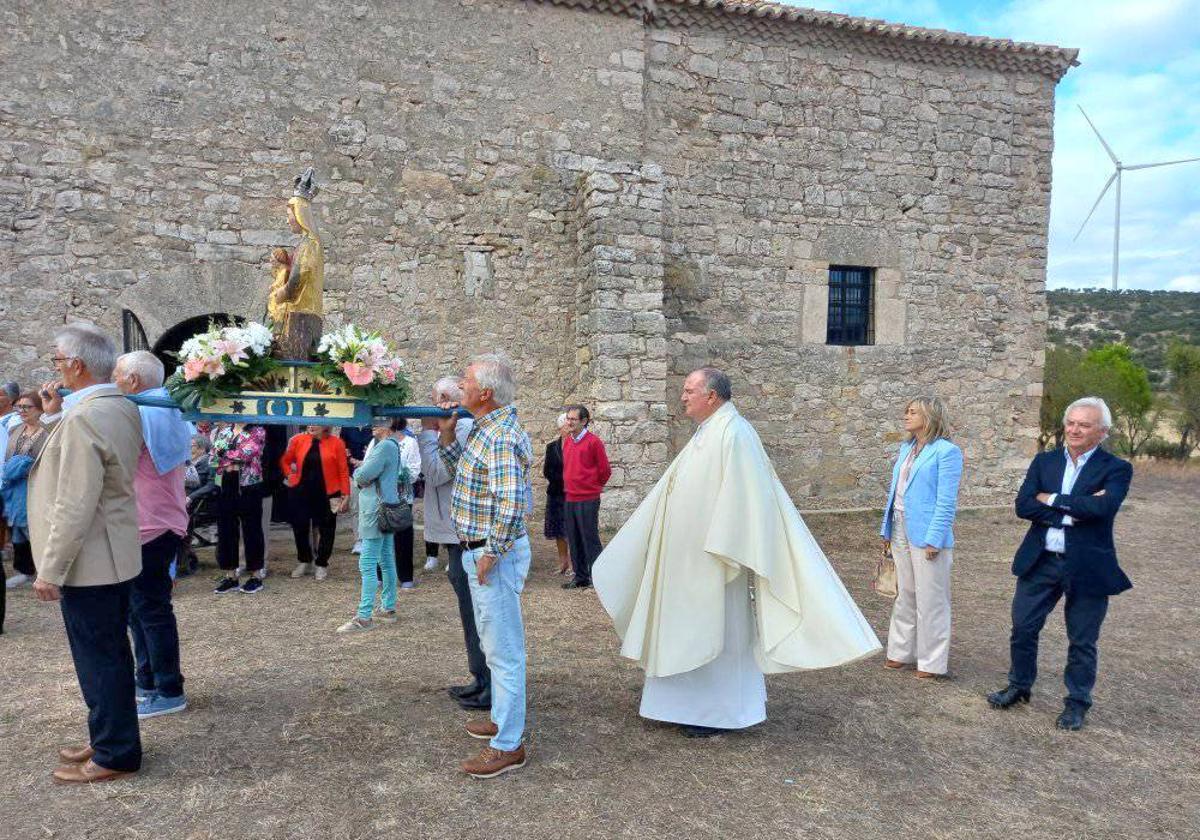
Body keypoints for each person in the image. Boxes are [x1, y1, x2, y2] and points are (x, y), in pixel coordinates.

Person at [593, 368, 881, 738]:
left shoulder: (735, 433)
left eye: (689, 390)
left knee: (717, 633)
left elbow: (747, 501)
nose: (682, 396)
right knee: (683, 629)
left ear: (711, 396)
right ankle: (683, 705)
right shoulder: (707, 432)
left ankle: (717, 712)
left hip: (715, 562)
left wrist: (723, 548)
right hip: (684, 563)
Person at [29, 323, 144, 783]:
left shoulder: (85, 418)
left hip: (90, 560)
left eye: (57, 360)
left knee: (100, 659)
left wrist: (50, 569)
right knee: (109, 653)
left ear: (75, 365)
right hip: (110, 552)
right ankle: (107, 737)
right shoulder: (117, 405)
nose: (55, 368)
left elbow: (75, 501)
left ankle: (116, 753)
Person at [987, 397, 1133, 731]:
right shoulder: (1044, 462)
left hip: (1087, 566)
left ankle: (1077, 703)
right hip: (1041, 561)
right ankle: (1019, 686)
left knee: (1082, 640)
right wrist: (1075, 511)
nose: (1075, 429)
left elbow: (1102, 509)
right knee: (1023, 628)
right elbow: (1024, 505)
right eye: (1071, 422)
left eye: (1084, 424)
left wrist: (1050, 499)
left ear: (1102, 431)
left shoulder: (1116, 469)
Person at [436, 353, 533, 778]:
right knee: (494, 645)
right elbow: (468, 477)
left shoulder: (499, 436)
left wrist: (491, 552)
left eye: (467, 379)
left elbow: (512, 503)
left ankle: (508, 745)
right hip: (481, 550)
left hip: (491, 553)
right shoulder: (485, 429)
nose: (461, 384)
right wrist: (446, 437)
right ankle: (501, 719)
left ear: (486, 393)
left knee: (505, 650)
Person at [113, 352, 194, 719]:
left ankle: (168, 688)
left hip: (151, 523)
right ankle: (146, 680)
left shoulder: (144, 412)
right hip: (152, 520)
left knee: (150, 609)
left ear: (132, 381)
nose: (111, 381)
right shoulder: (165, 410)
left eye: (115, 375)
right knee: (137, 609)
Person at [879, 397, 963, 679]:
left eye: (913, 412)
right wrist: (887, 529)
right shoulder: (906, 448)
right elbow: (896, 492)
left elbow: (946, 501)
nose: (906, 415)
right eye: (906, 411)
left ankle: (931, 662)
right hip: (901, 525)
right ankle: (901, 652)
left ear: (929, 416)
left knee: (932, 599)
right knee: (906, 593)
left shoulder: (947, 452)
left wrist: (935, 538)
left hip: (927, 532)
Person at [419, 377, 489, 710]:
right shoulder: (455, 428)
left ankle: (488, 681)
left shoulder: (460, 429)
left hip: (464, 532)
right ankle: (480, 678)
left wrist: (427, 433)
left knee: (479, 612)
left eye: (434, 401)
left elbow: (435, 474)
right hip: (455, 532)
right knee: (469, 611)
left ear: (446, 399)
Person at [338, 416, 401, 633]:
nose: (374, 424)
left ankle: (364, 616)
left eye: (381, 420)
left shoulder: (384, 446)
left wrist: (358, 474)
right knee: (386, 559)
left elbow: (363, 474)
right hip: (385, 506)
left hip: (375, 509)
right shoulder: (390, 445)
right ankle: (388, 606)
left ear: (390, 423)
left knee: (368, 562)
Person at [281, 424, 351, 581]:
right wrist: (290, 476)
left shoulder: (337, 443)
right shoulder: (298, 440)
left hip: (328, 492)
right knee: (300, 527)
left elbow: (343, 469)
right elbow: (285, 461)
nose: (311, 426)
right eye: (309, 423)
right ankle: (304, 560)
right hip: (300, 491)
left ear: (326, 425)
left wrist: (345, 493)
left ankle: (321, 563)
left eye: (315, 423)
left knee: (327, 529)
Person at [268, 168, 324, 359]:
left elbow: (296, 282)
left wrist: (278, 294)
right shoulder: (305, 244)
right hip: (297, 314)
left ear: (300, 214)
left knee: (294, 361)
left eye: (289, 215)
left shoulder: (309, 244)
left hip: (301, 316)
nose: (287, 221)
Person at [210, 422, 268, 593]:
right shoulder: (225, 430)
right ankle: (230, 576)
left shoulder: (257, 431)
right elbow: (213, 456)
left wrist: (225, 455)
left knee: (252, 529)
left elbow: (247, 453)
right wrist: (227, 457)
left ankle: (255, 575)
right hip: (225, 483)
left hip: (248, 485)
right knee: (226, 529)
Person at [561, 404, 611, 590]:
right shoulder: (567, 441)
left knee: (589, 538)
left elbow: (605, 470)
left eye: (574, 419)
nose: (570, 422)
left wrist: (592, 486)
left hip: (588, 497)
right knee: (573, 539)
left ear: (584, 421)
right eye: (568, 418)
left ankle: (597, 578)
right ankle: (580, 576)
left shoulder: (593, 442)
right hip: (570, 497)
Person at [4, 391, 49, 590]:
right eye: (19, 407)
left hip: (37, 487)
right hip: (15, 489)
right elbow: (7, 459)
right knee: (18, 532)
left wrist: (23, 466)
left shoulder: (48, 432)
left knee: (37, 530)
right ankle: (25, 571)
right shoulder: (15, 429)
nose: (21, 411)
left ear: (40, 409)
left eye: (27, 407)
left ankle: (48, 573)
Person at [390, 419, 422, 590]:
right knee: (382, 537)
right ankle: (381, 576)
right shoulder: (376, 441)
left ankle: (406, 577)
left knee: (403, 537)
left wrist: (395, 477)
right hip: (381, 498)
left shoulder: (410, 443)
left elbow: (414, 471)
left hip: (402, 497)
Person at [543, 413, 570, 575]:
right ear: (560, 429)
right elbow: (547, 470)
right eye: (565, 427)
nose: (568, 430)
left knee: (572, 529)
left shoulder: (577, 445)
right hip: (556, 492)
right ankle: (563, 562)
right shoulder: (552, 447)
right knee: (559, 530)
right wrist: (562, 480)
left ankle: (575, 564)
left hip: (572, 492)